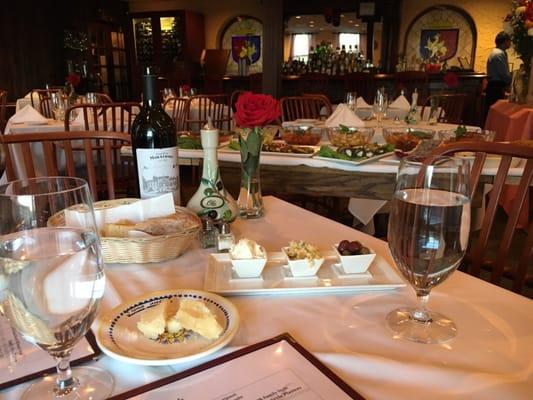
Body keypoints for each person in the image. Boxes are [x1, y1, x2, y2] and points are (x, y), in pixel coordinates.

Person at [484, 31, 512, 121]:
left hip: (495, 86)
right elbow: (503, 73)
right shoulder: (498, 54)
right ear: (505, 41)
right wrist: (512, 81)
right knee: (496, 116)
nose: (510, 43)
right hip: (496, 87)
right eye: (509, 41)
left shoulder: (497, 53)